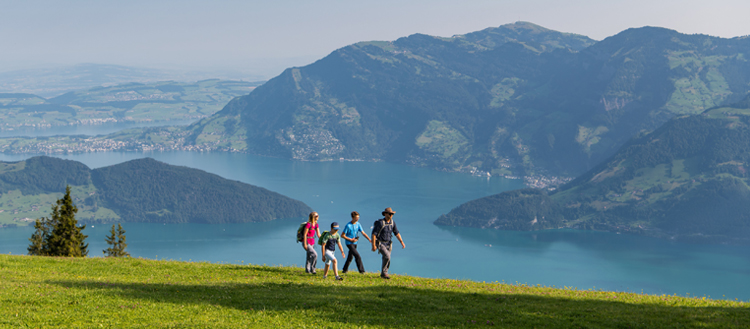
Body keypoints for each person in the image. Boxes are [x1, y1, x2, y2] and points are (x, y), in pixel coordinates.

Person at [371, 207, 405, 279]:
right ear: (385, 214)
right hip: (380, 243)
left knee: (387, 258)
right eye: (390, 214)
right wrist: (373, 245)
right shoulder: (380, 223)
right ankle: (384, 273)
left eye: (392, 214)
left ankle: (384, 273)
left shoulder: (393, 223)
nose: (391, 215)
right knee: (387, 256)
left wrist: (401, 242)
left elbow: (396, 233)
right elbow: (374, 234)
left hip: (389, 243)